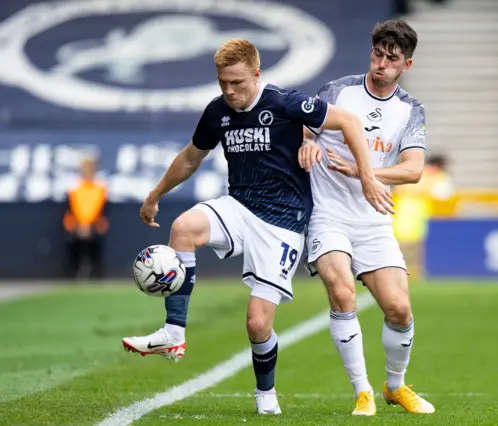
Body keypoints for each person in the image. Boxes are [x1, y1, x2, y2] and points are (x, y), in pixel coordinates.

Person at [121, 38, 393, 415]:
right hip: (239, 205)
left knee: (257, 323)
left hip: (282, 221)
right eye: (223, 84)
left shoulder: (283, 102)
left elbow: (347, 121)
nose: (229, 92)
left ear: (256, 73)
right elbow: (190, 157)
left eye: (237, 83)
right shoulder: (217, 111)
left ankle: (266, 394)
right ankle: (173, 334)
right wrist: (155, 195)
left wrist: (367, 178)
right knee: (184, 228)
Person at [298, 20, 435, 416]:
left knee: (399, 309)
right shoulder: (337, 91)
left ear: (405, 65)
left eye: (392, 59)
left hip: (373, 220)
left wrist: (364, 172)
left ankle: (395, 386)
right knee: (341, 292)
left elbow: (413, 169)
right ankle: (364, 391)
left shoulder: (410, 110)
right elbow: (306, 130)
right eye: (377, 54)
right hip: (328, 215)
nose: (381, 64)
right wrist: (307, 145)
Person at [393, 154, 454, 279]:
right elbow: (444, 194)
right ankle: (412, 272)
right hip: (416, 212)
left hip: (402, 210)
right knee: (413, 244)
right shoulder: (437, 176)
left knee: (402, 243)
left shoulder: (412, 171)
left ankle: (401, 271)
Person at [63, 156, 109, 279]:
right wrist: (80, 225)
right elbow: (72, 209)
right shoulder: (74, 187)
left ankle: (95, 272)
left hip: (94, 224)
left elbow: (99, 208)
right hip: (77, 225)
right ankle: (74, 271)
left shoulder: (100, 187)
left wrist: (90, 224)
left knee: (96, 240)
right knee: (72, 240)